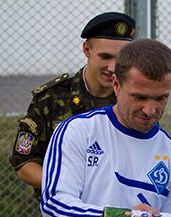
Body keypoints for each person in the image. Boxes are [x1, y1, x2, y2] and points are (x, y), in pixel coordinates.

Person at [31, 39, 171, 217]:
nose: (150, 110)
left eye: (160, 98)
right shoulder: (79, 131)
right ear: (116, 85)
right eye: (139, 97)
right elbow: (55, 207)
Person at [9, 12, 136, 199]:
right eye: (105, 56)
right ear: (87, 50)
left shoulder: (132, 98)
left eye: (120, 59)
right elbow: (24, 162)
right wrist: (66, 189)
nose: (112, 67)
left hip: (117, 208)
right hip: (65, 211)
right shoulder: (52, 97)